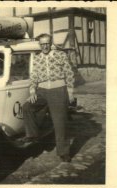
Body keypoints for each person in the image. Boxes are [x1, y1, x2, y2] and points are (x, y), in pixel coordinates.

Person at [22, 33, 75, 162]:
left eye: (47, 43)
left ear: (51, 43)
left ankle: (63, 152)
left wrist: (70, 91)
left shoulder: (60, 55)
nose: (45, 46)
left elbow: (69, 72)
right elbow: (34, 76)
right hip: (42, 91)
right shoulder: (37, 58)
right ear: (39, 45)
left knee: (59, 123)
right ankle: (33, 135)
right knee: (27, 107)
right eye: (42, 44)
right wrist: (32, 91)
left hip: (58, 91)